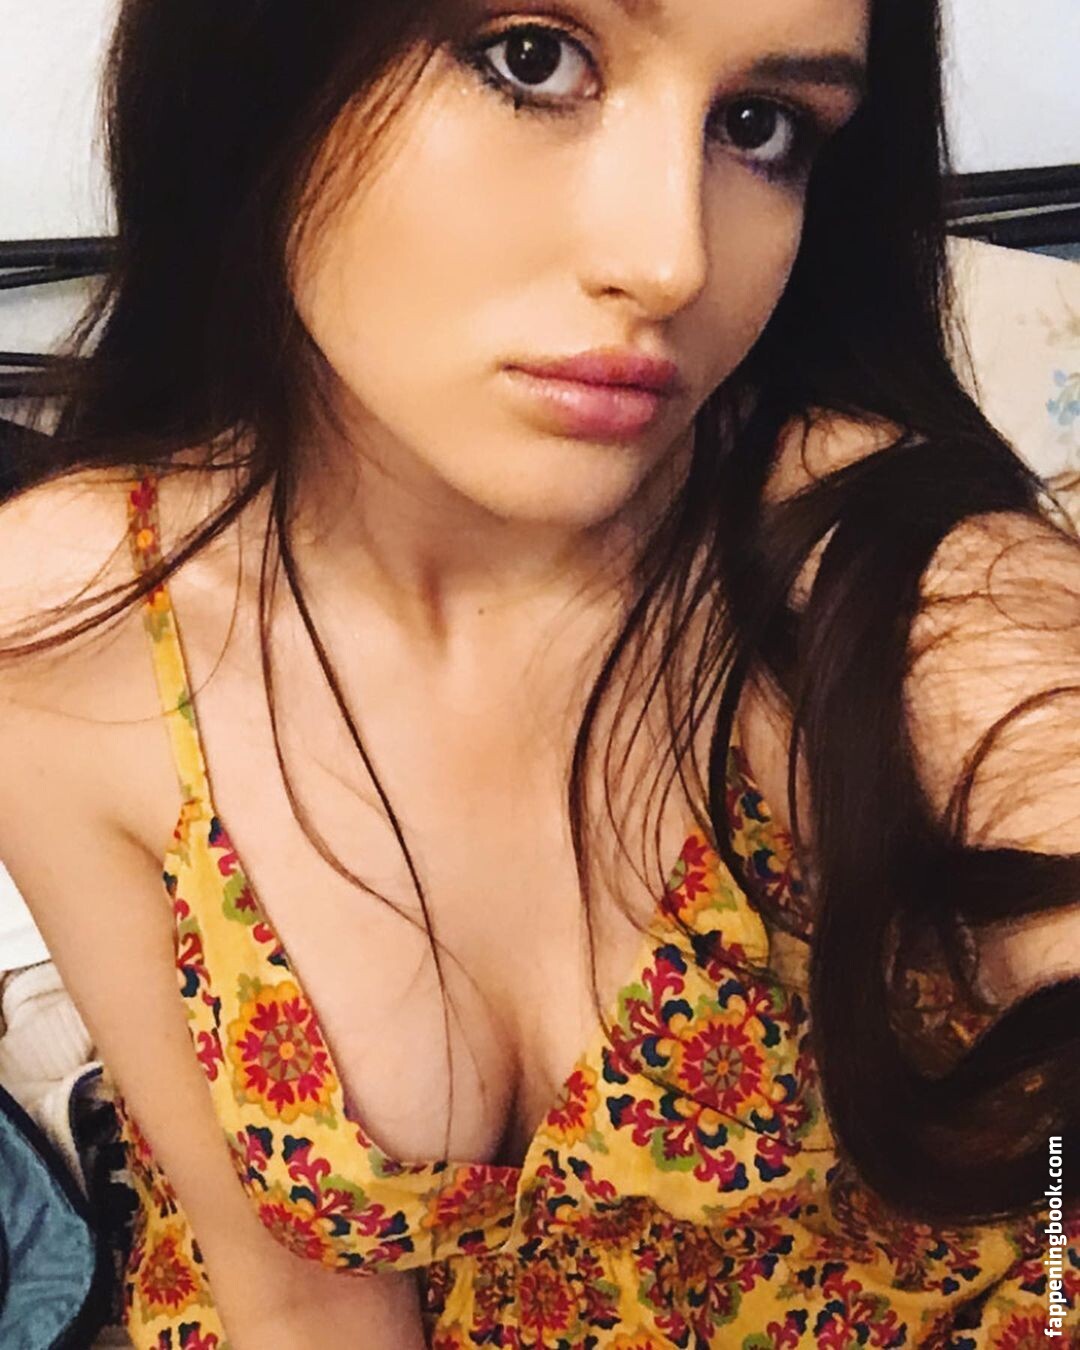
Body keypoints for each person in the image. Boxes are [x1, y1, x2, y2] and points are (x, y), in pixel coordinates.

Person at [0, 0, 1077, 1345]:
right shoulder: (66, 626)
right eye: (532, 58)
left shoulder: (872, 556)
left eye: (760, 126)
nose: (669, 261)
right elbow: (296, 1290)